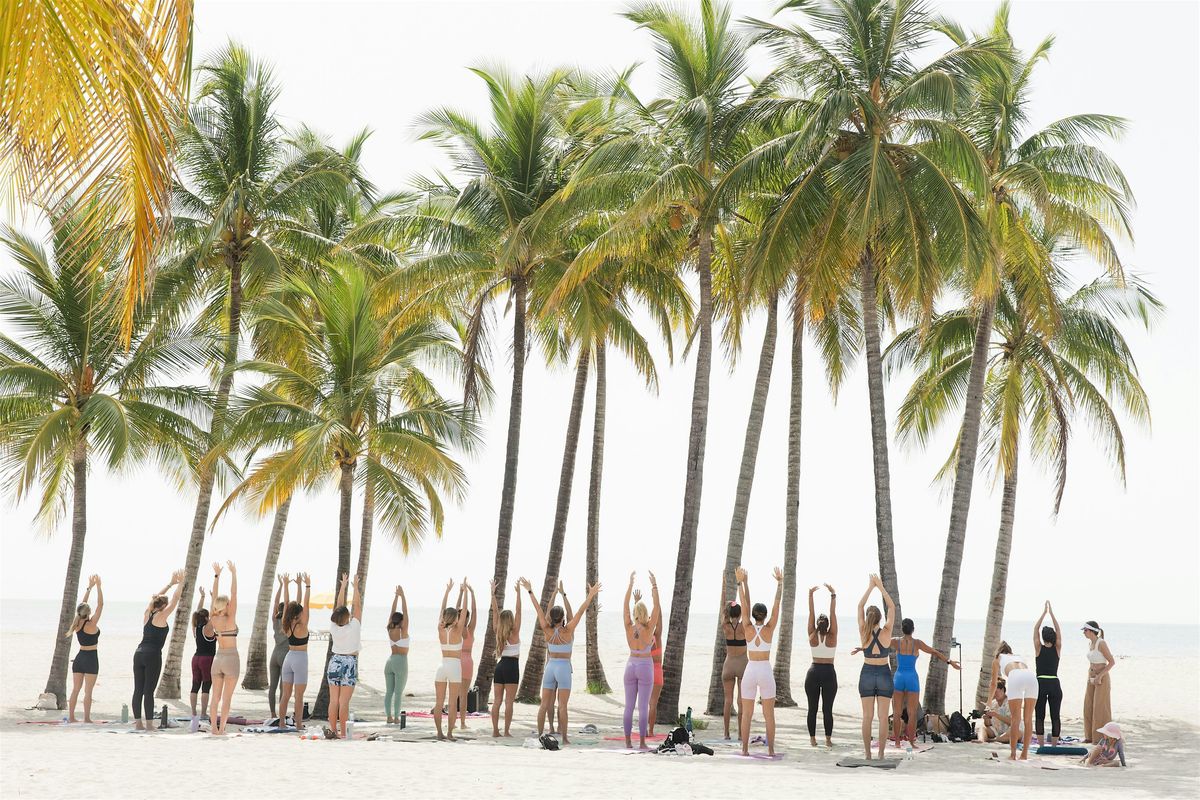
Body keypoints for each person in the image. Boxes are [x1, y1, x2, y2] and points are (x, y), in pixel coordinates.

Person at [525, 577, 601, 745]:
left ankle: (540, 735)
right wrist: (590, 595)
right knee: (563, 706)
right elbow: (579, 612)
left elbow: (539, 609)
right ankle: (565, 738)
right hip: (564, 667)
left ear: (551, 617)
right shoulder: (568, 630)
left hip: (550, 666)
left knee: (544, 704)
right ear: (563, 618)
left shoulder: (546, 629)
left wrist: (531, 591)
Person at [735, 565, 784, 758]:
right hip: (764, 670)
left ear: (754, 615)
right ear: (764, 616)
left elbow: (744, 604)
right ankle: (770, 749)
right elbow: (776, 605)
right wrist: (779, 583)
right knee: (769, 715)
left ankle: (745, 750)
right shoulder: (769, 628)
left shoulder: (747, 626)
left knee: (746, 714)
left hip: (750, 670)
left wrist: (741, 582)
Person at [890, 618, 959, 745]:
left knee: (897, 712)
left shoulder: (895, 641)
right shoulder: (917, 643)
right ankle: (911, 743)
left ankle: (897, 743)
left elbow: (879, 643)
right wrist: (950, 662)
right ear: (913, 630)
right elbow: (934, 651)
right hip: (911, 678)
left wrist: (863, 648)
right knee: (912, 713)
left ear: (902, 629)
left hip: (899, 677)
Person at [132, 570, 183, 731]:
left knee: (138, 690)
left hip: (138, 653)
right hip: (152, 655)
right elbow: (175, 600)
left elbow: (154, 600)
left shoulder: (148, 613)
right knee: (148, 691)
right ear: (163, 606)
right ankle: (148, 725)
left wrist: (169, 584)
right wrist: (181, 582)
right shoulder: (161, 616)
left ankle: (139, 724)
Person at [856, 573, 896, 760]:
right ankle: (880, 753)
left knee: (867, 717)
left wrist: (870, 587)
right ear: (880, 618)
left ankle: (867, 754)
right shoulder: (886, 631)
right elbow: (891, 606)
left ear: (868, 618)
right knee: (882, 717)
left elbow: (860, 606)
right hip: (883, 673)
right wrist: (880, 586)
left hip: (867, 672)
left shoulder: (863, 631)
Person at [621, 572, 661, 750]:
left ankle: (628, 741)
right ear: (645, 614)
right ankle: (642, 742)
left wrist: (630, 586)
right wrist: (654, 586)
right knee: (643, 706)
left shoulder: (629, 626)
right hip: (645, 665)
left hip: (630, 665)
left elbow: (624, 607)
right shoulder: (649, 628)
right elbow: (657, 607)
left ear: (635, 613)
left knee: (629, 706)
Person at [327, 573, 363, 739]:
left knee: (334, 700)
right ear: (346, 617)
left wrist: (343, 586)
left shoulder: (334, 626)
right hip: (349, 661)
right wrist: (355, 587)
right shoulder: (354, 626)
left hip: (335, 661)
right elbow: (357, 605)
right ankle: (342, 732)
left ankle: (333, 730)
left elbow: (339, 605)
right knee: (344, 702)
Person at [988, 641, 1037, 760]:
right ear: (1010, 651)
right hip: (1031, 677)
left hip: (1016, 676)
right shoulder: (1018, 657)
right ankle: (1024, 754)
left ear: (999, 651)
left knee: (1015, 719)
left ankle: (1013, 754)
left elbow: (994, 684)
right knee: (1028, 719)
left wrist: (989, 701)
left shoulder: (998, 658)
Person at [434, 578, 469, 740]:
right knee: (452, 703)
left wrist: (447, 591)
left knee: (439, 703)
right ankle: (449, 733)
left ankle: (440, 733)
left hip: (441, 666)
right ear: (456, 618)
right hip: (454, 667)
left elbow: (443, 610)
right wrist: (466, 592)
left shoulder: (440, 628)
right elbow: (464, 611)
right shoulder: (458, 629)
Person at [208, 561, 240, 736]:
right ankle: (222, 729)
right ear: (226, 605)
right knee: (226, 698)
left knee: (215, 697)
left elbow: (213, 600)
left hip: (217, 659)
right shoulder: (231, 618)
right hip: (231, 658)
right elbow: (234, 593)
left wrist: (217, 576)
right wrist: (234, 573)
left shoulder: (214, 618)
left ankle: (214, 729)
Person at [66, 574, 103, 723]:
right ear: (88, 613)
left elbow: (82, 605)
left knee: (76, 689)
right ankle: (87, 718)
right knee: (88, 691)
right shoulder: (91, 624)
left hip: (79, 658)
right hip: (91, 658)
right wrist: (99, 587)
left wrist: (89, 588)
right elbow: (101, 605)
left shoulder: (76, 624)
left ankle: (72, 717)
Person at [805, 583, 837, 748]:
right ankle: (828, 740)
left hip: (814, 671)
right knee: (827, 709)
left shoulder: (812, 633)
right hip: (828, 672)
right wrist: (833, 595)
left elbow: (811, 613)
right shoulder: (832, 634)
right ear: (827, 623)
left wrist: (810, 595)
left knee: (813, 708)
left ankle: (813, 740)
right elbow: (833, 613)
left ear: (818, 623)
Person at [490, 578, 523, 737]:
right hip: (511, 667)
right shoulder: (514, 632)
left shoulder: (497, 630)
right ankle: (506, 731)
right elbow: (519, 611)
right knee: (509, 702)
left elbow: (495, 613)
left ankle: (495, 731)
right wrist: (518, 593)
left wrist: (493, 594)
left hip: (500, 666)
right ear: (510, 620)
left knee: (497, 701)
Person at [279, 573, 310, 732]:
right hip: (300, 659)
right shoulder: (302, 626)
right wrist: (307, 586)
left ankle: (282, 723)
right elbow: (305, 603)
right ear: (300, 613)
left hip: (288, 658)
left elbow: (290, 605)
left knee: (286, 694)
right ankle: (298, 725)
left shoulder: (286, 623)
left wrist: (287, 585)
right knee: (299, 696)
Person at [1033, 600, 1063, 745]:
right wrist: (1051, 613)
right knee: (1055, 716)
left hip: (1040, 683)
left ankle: (1041, 745)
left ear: (1043, 637)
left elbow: (1035, 629)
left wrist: (1044, 613)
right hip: (1054, 683)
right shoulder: (1057, 648)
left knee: (1040, 715)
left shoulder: (1039, 648)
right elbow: (1059, 631)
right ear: (1054, 637)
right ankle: (1054, 745)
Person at [1082, 620, 1114, 743]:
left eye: (1085, 630)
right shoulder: (1090, 643)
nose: (1084, 633)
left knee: (1100, 707)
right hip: (1091, 675)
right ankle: (1089, 736)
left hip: (1102, 677)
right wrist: (1092, 674)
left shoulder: (1101, 643)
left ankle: (1100, 738)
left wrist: (1100, 676)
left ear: (1091, 631)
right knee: (1088, 705)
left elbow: (1111, 662)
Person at [720, 597, 748, 740]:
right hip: (742, 665)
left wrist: (727, 604)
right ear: (740, 612)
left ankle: (726, 733)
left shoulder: (726, 627)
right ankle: (740, 734)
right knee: (741, 701)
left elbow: (723, 611)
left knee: (728, 700)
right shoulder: (744, 627)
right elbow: (747, 607)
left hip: (729, 665)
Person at [384, 584, 410, 725]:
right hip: (400, 661)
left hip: (390, 661)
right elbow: (405, 612)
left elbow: (392, 612)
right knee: (398, 693)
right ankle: (396, 718)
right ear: (401, 621)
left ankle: (389, 717)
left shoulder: (389, 629)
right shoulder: (403, 631)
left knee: (389, 692)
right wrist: (403, 596)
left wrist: (396, 597)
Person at [190, 586, 215, 720]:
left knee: (195, 685)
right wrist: (212, 598)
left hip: (196, 658)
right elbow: (214, 613)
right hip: (207, 659)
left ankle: (193, 712)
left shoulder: (195, 627)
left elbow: (197, 612)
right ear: (206, 618)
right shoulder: (207, 628)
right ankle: (203, 713)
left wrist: (202, 597)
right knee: (206, 685)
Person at [267, 574, 289, 722]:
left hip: (274, 654)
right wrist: (287, 585)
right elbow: (287, 603)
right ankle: (281, 714)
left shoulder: (275, 620)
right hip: (285, 655)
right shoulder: (288, 621)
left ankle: (273, 714)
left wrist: (280, 585)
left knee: (272, 687)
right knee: (282, 688)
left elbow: (276, 602)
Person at [457, 578, 478, 730]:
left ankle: (454, 720)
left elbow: (457, 609)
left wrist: (461, 593)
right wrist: (471, 593)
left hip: (457, 661)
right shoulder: (470, 630)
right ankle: (462, 723)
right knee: (464, 695)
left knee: (454, 694)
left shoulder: (455, 629)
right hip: (468, 662)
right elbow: (474, 611)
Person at [647, 593, 665, 737]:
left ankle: (646, 730)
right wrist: (657, 604)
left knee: (645, 703)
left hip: (646, 670)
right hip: (657, 670)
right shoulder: (656, 636)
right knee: (653, 703)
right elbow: (660, 622)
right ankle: (651, 731)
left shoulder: (642, 638)